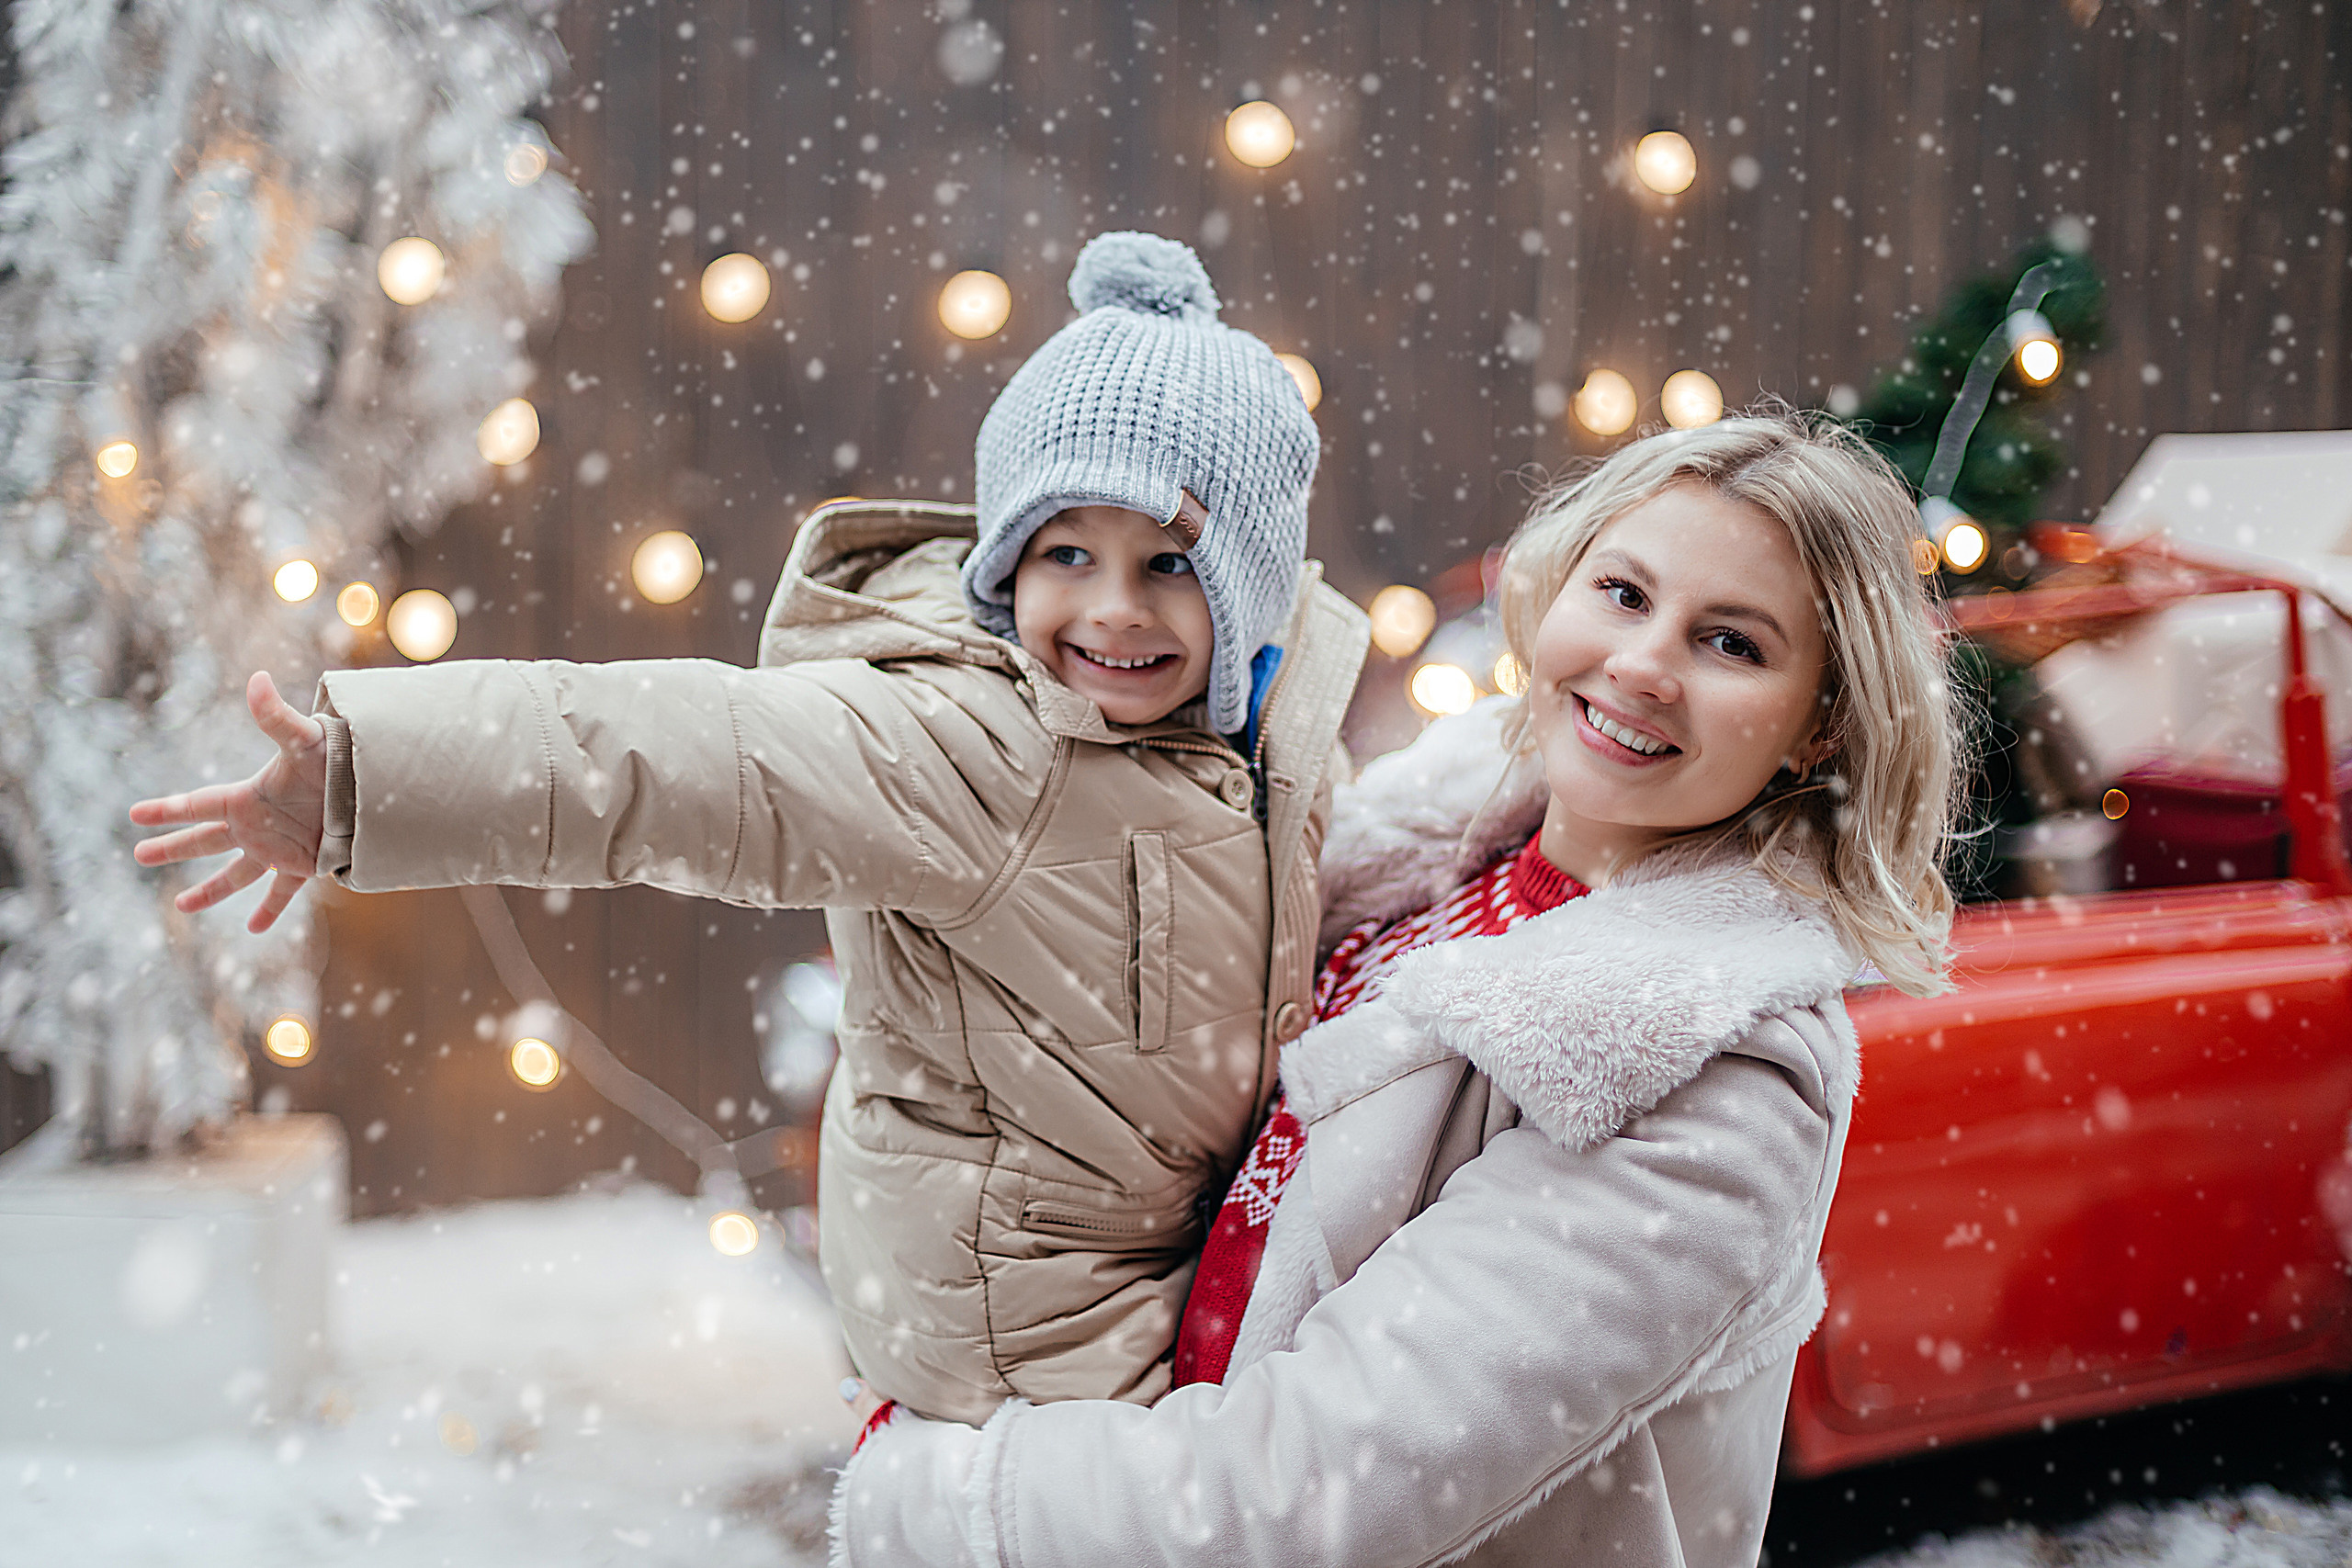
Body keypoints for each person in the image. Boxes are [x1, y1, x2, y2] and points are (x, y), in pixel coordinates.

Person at [127, 231, 1370, 1427]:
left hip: (1179, 1245)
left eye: (1169, 564)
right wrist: (366, 774)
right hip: (1032, 1322)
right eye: (1067, 553)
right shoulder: (970, 747)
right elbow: (665, 755)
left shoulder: (1264, 726)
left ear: (1250, 586)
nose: (1113, 609)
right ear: (1006, 560)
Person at [828, 412, 1961, 1567]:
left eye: (1730, 644)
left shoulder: (1714, 1080)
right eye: (1623, 593)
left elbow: (1301, 1500)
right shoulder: (1394, 865)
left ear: (1820, 729)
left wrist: (927, 1488)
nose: (1640, 664)